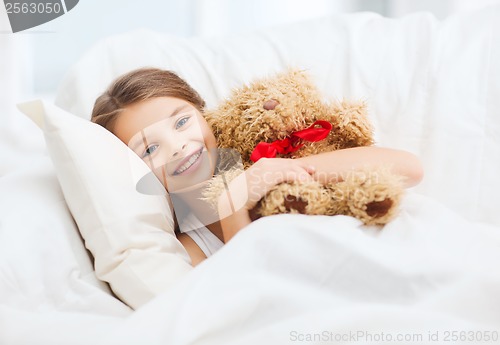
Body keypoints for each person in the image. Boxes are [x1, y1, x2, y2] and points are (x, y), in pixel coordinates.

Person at [91, 67, 424, 266]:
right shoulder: (190, 248)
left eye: (181, 122)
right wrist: (234, 200)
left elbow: (409, 168)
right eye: (149, 148)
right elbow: (255, 288)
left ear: (205, 116)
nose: (177, 146)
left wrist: (279, 169)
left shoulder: (265, 158)